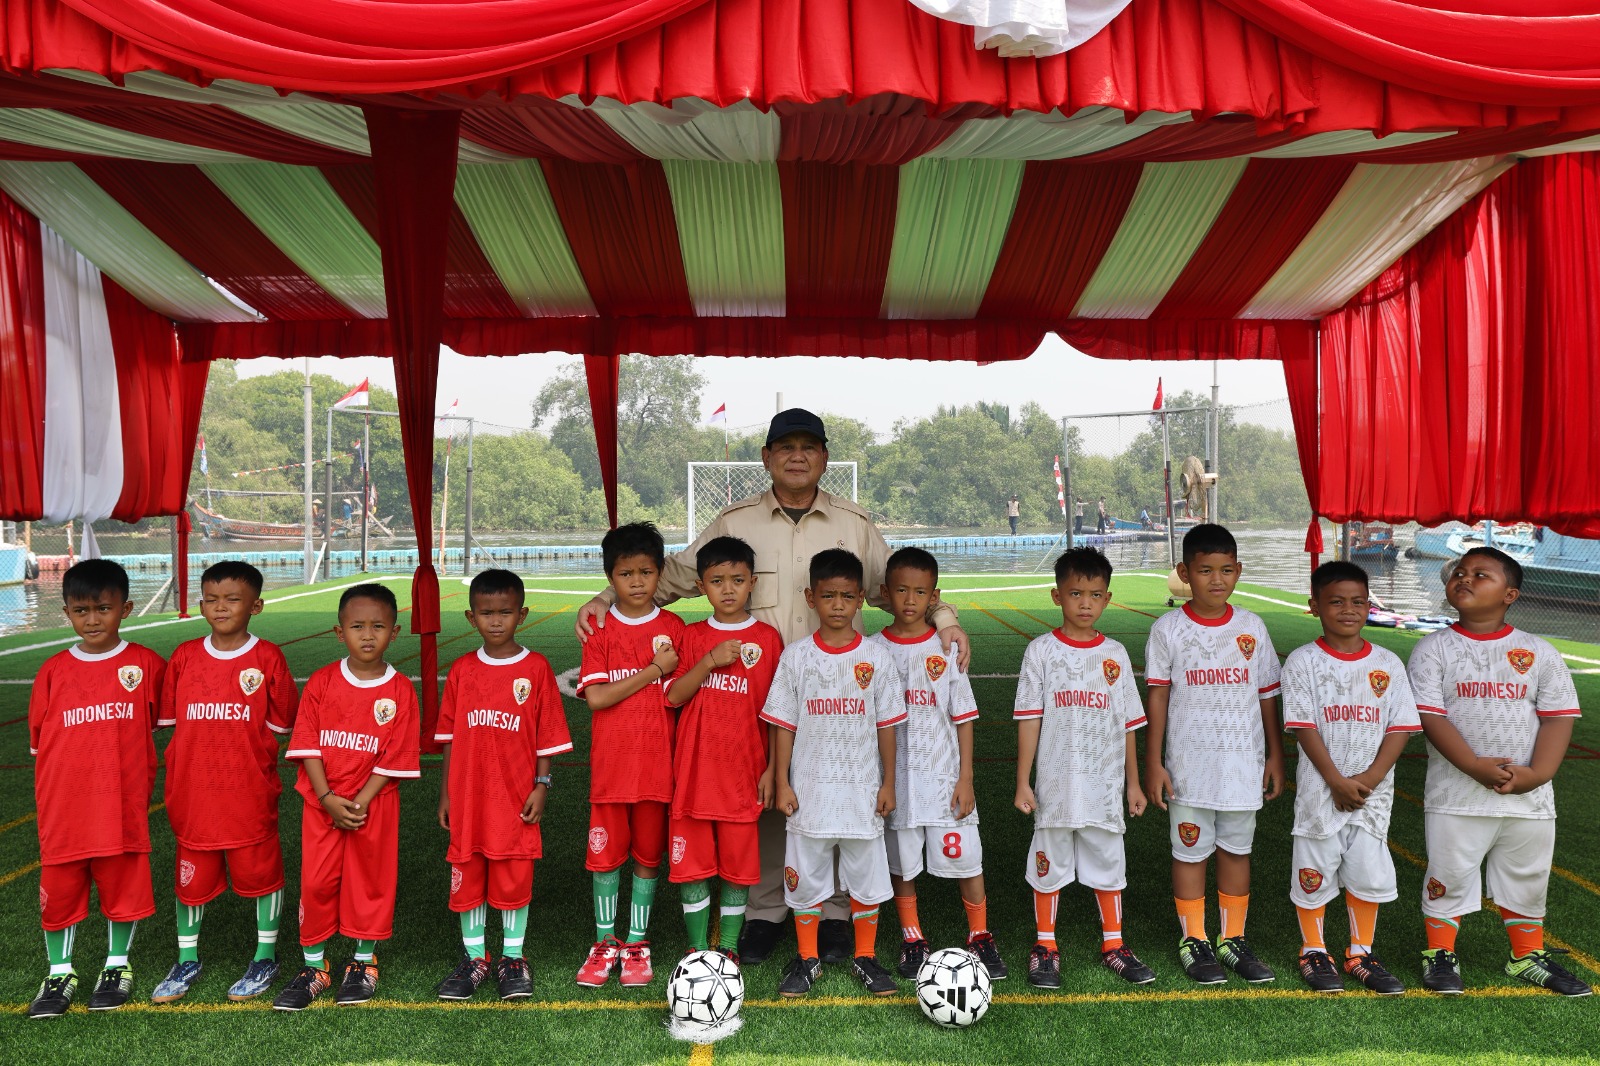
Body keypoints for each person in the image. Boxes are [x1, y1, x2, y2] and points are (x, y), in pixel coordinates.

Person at [574, 409, 970, 967]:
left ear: (826, 458)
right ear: (766, 457)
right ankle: (762, 911)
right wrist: (603, 599)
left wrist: (946, 617)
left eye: (810, 446)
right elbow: (673, 577)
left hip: (836, 694)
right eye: (786, 446)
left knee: (834, 793)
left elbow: (897, 583)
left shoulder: (854, 523)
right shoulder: (735, 521)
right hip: (752, 695)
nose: (798, 455)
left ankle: (833, 912)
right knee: (756, 800)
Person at [1410, 546, 1589, 996]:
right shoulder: (1433, 649)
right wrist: (1472, 765)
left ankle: (1526, 956)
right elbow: (1431, 716)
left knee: (1528, 876)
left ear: (1510, 594)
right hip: (1457, 793)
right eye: (1460, 572)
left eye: (1481, 574)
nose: (1465, 579)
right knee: (1448, 872)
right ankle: (1439, 955)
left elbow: (1558, 716)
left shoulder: (1537, 651)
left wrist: (1539, 774)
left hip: (1527, 797)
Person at [151, 561, 299, 1005]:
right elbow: (171, 721)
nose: (220, 608)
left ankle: (265, 955)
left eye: (232, 599)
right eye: (211, 599)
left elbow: (281, 722)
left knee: (262, 875)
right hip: (193, 794)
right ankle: (187, 957)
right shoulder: (184, 657)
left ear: (255, 605)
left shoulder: (267, 657)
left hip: (248, 793)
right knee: (191, 879)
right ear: (200, 603)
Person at [1143, 523, 1283, 985]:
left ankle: (1232, 939)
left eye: (1226, 570)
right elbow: (1159, 698)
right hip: (1187, 767)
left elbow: (1266, 695)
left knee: (1236, 850)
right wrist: (1154, 761)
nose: (1217, 580)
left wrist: (1274, 756)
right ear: (1185, 572)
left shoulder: (1251, 627)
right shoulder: (1168, 629)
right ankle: (1195, 939)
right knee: (1189, 853)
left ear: (1239, 571)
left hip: (1242, 764)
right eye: (1205, 570)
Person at [26, 560, 165, 1018]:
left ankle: (116, 965)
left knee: (122, 885)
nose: (92, 619)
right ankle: (60, 971)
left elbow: (168, 722)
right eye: (81, 610)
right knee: (61, 890)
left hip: (121, 805)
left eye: (103, 608)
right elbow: (38, 745)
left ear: (124, 608)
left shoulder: (146, 664)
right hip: (64, 807)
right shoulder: (52, 671)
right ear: (66, 612)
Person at [762, 549, 904, 998]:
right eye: (828, 596)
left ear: (861, 598)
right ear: (811, 598)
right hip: (810, 791)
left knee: (866, 880)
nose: (838, 605)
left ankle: (865, 957)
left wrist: (888, 783)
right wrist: (783, 781)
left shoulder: (877, 658)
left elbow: (887, 727)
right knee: (806, 878)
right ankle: (807, 959)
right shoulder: (796, 657)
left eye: (847, 596)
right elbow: (783, 724)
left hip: (862, 790)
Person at [274, 583, 419, 1011]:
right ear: (340, 632)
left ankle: (362, 962)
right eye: (358, 626)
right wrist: (326, 797)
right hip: (321, 806)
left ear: (396, 631)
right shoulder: (321, 682)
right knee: (317, 882)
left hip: (373, 806)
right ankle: (315, 967)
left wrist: (359, 800)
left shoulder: (400, 691)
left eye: (379, 626)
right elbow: (308, 744)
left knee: (369, 883)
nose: (368, 635)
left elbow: (397, 755)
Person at [1014, 547, 1153, 989]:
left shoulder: (1114, 654)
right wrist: (1022, 780)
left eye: (1095, 594)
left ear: (1108, 598)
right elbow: (1029, 719)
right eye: (1076, 593)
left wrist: (1133, 784)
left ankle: (1113, 943)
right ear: (1057, 596)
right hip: (1055, 784)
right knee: (1047, 863)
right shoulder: (1040, 652)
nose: (1086, 603)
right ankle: (1045, 946)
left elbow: (1128, 724)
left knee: (1108, 863)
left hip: (1104, 784)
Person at [1281, 562, 1419, 995]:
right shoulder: (1304, 661)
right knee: (1315, 869)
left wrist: (1372, 777)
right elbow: (1303, 726)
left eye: (1358, 601)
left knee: (1368, 873)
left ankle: (1360, 952)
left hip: (1372, 797)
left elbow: (1400, 726)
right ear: (1315, 606)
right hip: (1322, 793)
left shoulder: (1388, 663)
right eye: (1336, 601)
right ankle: (1313, 950)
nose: (1348, 610)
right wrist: (1335, 780)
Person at [434, 570, 572, 1001]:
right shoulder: (461, 670)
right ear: (470, 617)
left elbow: (547, 734)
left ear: (522, 614)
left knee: (513, 872)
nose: (496, 621)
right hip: (469, 797)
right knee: (469, 869)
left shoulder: (536, 668)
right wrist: (445, 793)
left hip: (514, 796)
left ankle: (513, 957)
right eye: (486, 613)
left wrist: (542, 783)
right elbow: (451, 739)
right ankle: (476, 958)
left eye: (506, 612)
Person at [868, 548, 1003, 980]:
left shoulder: (946, 649)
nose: (910, 599)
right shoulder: (871, 651)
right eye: (902, 590)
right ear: (885, 594)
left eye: (920, 591)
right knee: (902, 863)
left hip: (945, 781)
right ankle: (913, 938)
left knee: (968, 860)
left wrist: (966, 778)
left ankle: (980, 935)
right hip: (897, 783)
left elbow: (963, 718)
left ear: (935, 596)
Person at [574, 522, 685, 988]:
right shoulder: (600, 629)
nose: (637, 582)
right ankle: (605, 942)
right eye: (625, 574)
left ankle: (636, 942)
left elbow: (681, 692)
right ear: (609, 577)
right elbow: (597, 699)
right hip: (612, 769)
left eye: (646, 571)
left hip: (658, 766)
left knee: (646, 856)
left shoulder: (674, 628)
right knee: (605, 858)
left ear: (660, 573)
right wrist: (653, 671)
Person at [663, 537, 785, 959]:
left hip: (743, 775)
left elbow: (777, 711)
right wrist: (709, 661)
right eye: (717, 581)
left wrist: (772, 770)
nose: (728, 589)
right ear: (701, 586)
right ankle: (698, 949)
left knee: (738, 869)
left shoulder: (768, 639)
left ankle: (729, 947)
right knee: (692, 868)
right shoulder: (691, 636)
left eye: (737, 580)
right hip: (694, 776)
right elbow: (674, 695)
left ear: (752, 582)